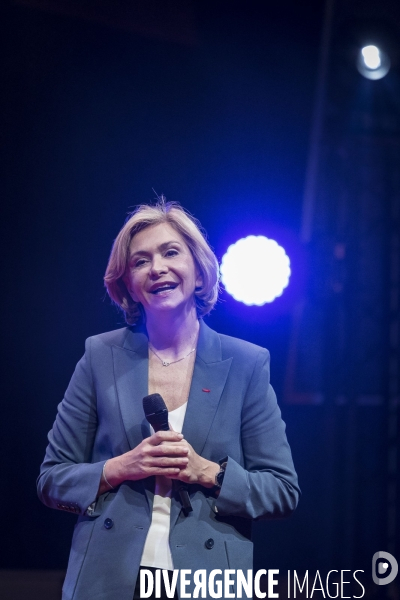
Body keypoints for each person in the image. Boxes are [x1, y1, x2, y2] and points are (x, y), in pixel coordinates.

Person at [37, 199, 300, 600]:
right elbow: (52, 479)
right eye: (140, 261)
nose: (156, 267)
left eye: (170, 252)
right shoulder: (99, 356)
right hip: (107, 581)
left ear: (198, 273)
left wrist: (209, 473)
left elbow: (282, 490)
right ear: (128, 285)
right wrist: (120, 467)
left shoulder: (247, 363)